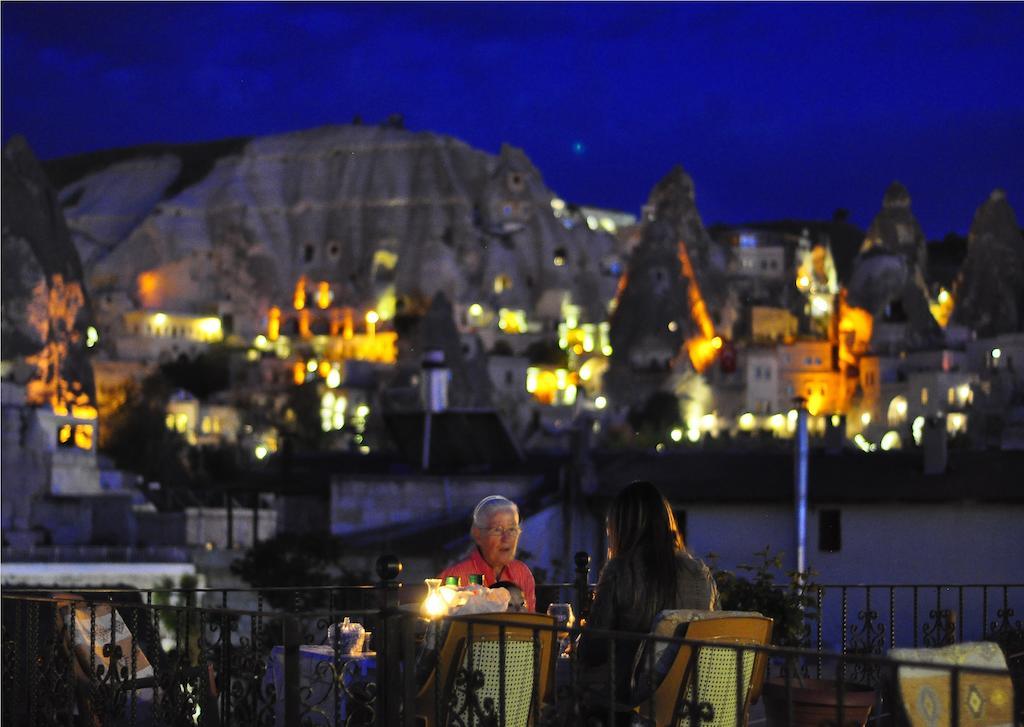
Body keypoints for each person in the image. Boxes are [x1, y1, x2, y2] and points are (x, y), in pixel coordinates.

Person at [578, 480, 718, 715]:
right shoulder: (700, 573)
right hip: (693, 703)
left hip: (634, 704)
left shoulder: (620, 571)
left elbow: (593, 650)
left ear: (622, 527)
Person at [439, 495, 536, 612]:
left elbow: (530, 621)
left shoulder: (522, 573)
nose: (506, 538)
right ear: (478, 535)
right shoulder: (454, 577)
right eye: (497, 530)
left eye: (512, 529)